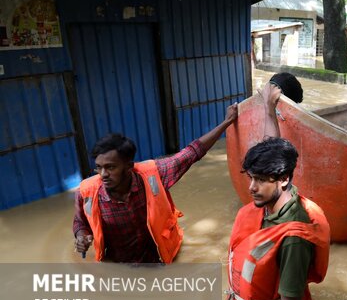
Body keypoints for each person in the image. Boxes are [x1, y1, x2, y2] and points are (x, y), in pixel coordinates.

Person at [197, 140, 330, 300]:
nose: (251, 187)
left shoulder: (294, 239)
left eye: (260, 179)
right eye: (251, 178)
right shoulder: (269, 204)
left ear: (284, 179)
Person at [73, 104, 238, 263]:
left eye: (110, 168)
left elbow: (191, 153)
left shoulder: (154, 175)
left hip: (159, 260)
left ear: (129, 166)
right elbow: (81, 222)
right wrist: (81, 236)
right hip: (119, 265)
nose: (103, 175)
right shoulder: (86, 192)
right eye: (99, 168)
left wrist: (226, 123)